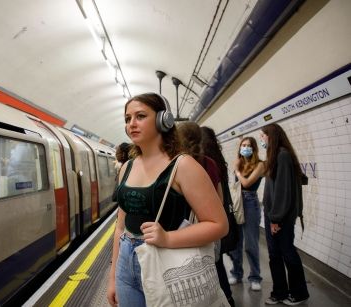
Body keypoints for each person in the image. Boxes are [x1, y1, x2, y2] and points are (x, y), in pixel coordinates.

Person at [106, 93, 228, 307]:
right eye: (127, 118)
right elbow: (120, 227)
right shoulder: (127, 168)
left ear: (164, 120)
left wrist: (168, 238)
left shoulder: (183, 166)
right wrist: (113, 277)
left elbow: (219, 225)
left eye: (140, 116)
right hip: (126, 263)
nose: (132, 123)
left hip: (167, 262)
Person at [178, 122, 236, 307]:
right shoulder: (210, 163)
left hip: (183, 229)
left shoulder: (178, 164)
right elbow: (218, 199)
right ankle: (226, 299)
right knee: (214, 266)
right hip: (209, 229)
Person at [261, 123, 309, 305]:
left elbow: (282, 191)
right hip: (273, 214)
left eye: (263, 136)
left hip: (280, 217)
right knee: (274, 254)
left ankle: (299, 293)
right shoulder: (277, 155)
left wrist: (276, 219)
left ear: (271, 136)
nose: (262, 139)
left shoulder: (282, 156)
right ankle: (280, 292)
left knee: (288, 253)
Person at [227, 136, 265, 291]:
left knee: (251, 243)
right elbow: (234, 185)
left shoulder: (260, 164)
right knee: (236, 242)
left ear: (254, 148)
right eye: (243, 145)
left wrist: (236, 170)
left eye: (248, 145)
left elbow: (247, 183)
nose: (245, 148)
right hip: (237, 202)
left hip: (250, 203)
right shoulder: (239, 162)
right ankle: (236, 273)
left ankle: (255, 277)